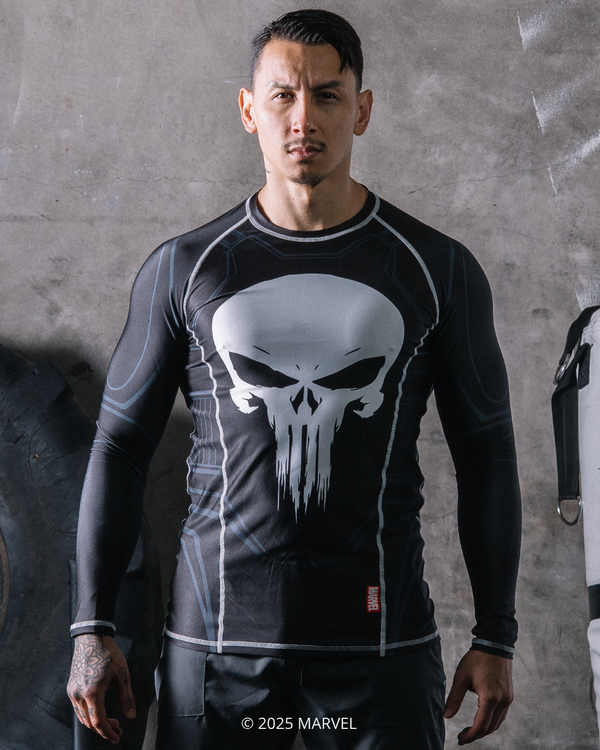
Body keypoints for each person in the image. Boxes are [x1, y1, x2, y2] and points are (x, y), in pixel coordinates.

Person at [67, 9, 521, 750]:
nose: (302, 118)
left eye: (327, 95)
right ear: (249, 110)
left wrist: (496, 634)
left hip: (382, 647)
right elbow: (119, 448)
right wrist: (92, 628)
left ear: (362, 110)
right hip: (216, 651)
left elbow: (488, 453)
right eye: (282, 95)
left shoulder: (436, 270)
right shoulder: (185, 270)